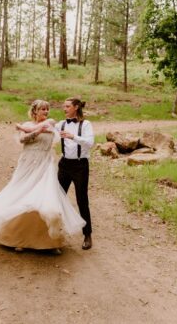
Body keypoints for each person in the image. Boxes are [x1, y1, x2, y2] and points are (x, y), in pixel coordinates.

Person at [0, 100, 86, 252]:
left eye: (47, 109)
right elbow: (22, 139)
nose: (46, 112)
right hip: (27, 163)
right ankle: (18, 238)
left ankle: (48, 242)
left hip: (44, 165)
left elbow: (39, 129)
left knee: (44, 198)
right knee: (22, 195)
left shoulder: (51, 122)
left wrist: (26, 129)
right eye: (42, 109)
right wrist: (33, 132)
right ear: (35, 111)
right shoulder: (28, 124)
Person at [56, 97, 95, 250]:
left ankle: (87, 235)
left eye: (67, 106)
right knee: (57, 198)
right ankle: (53, 234)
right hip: (64, 165)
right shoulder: (61, 124)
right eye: (64, 106)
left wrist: (73, 136)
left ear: (76, 107)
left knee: (82, 200)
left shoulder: (86, 124)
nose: (64, 109)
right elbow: (47, 131)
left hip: (80, 166)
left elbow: (90, 143)